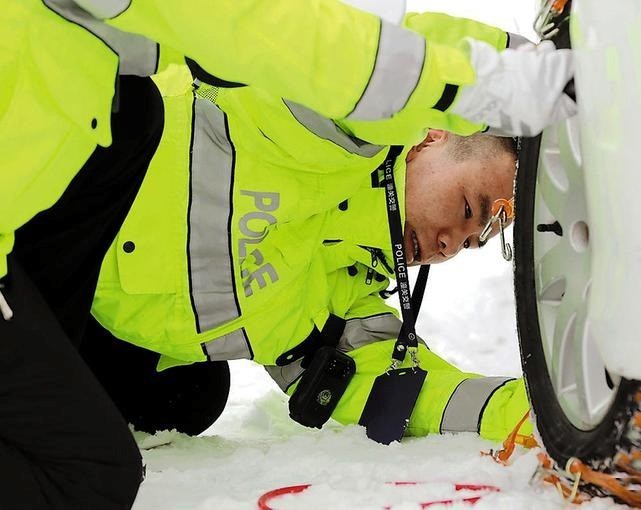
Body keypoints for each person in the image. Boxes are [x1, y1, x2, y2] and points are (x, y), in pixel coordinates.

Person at [1, 3, 572, 508]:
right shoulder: (336, 132)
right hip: (34, 221)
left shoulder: (343, 291)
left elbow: (396, 390)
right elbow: (376, 56)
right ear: (430, 139)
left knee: (192, 399)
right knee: (93, 474)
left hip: (70, 322)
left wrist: (535, 415)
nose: (455, 243)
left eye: (476, 242)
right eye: (472, 209)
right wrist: (533, 75)